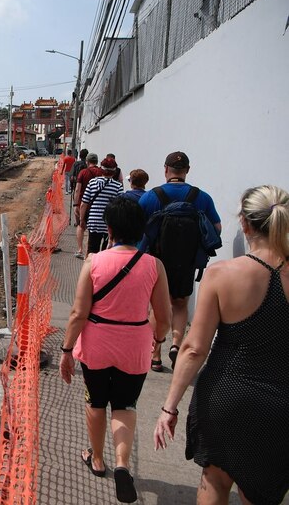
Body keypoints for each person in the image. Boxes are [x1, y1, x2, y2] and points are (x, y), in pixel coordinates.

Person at [154, 185, 289, 505]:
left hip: (225, 397)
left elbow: (194, 349)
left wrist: (169, 407)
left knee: (215, 479)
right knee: (261, 492)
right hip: (279, 405)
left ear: (245, 224)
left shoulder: (222, 274)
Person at [60, 197, 171, 504]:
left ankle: (97, 459)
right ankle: (122, 463)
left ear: (109, 229)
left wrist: (66, 349)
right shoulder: (154, 266)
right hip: (135, 346)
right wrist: (158, 340)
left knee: (96, 402)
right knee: (124, 406)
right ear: (141, 229)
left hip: (96, 344)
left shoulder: (94, 262)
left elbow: (78, 313)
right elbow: (163, 317)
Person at [139, 151, 221, 371]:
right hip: (187, 261)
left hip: (157, 261)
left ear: (166, 169)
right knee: (181, 303)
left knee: (158, 306)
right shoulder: (201, 197)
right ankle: (176, 344)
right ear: (187, 170)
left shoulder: (152, 196)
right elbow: (216, 228)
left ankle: (155, 354)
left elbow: (138, 228)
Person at [80, 156, 124, 256]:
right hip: (109, 223)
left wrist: (82, 219)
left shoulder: (93, 182)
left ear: (101, 169)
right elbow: (119, 206)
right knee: (106, 252)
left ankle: (90, 265)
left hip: (94, 221)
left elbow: (84, 203)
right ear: (114, 171)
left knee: (92, 250)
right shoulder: (118, 186)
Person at [73, 153, 102, 259]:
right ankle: (91, 252)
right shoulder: (101, 172)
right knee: (93, 230)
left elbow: (77, 189)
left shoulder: (83, 172)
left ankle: (80, 249)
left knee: (81, 226)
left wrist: (76, 204)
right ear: (97, 161)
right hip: (97, 205)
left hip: (83, 203)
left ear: (87, 161)